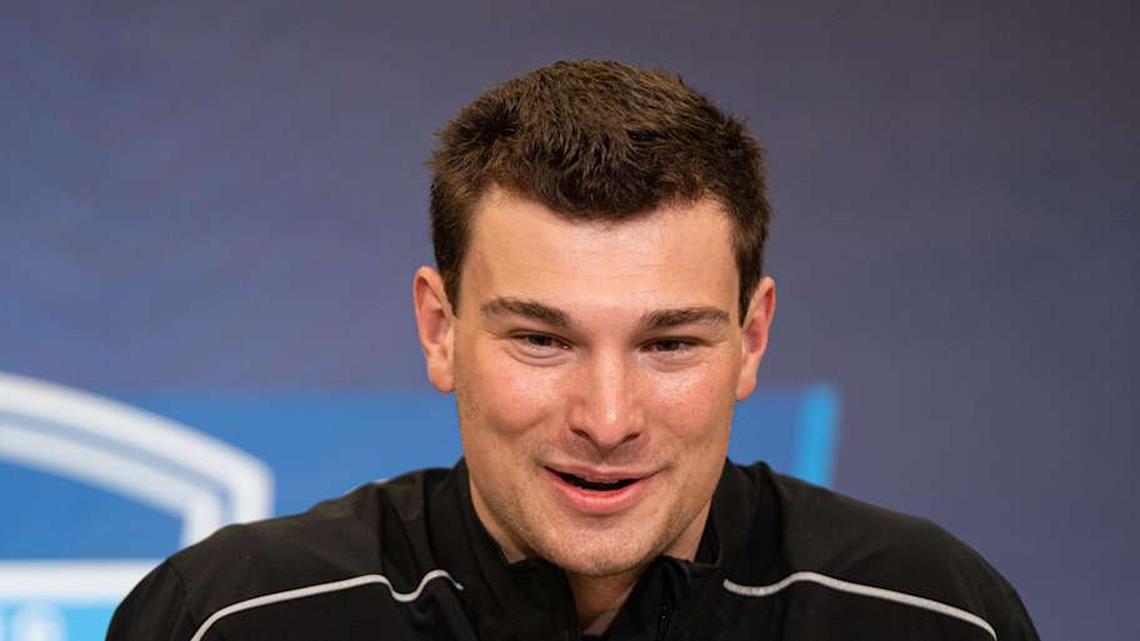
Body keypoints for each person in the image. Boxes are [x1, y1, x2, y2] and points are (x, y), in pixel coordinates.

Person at [107, 60, 1038, 641]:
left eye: (669, 342)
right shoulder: (232, 619)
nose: (606, 418)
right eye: (542, 339)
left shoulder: (928, 616)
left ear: (751, 340)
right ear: (441, 330)